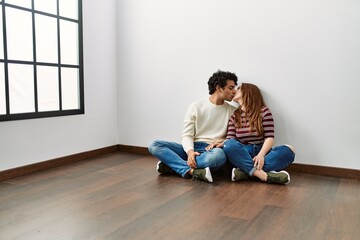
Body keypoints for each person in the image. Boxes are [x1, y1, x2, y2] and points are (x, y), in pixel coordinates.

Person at [148, 70, 238, 183]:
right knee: (155, 145)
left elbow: (234, 138)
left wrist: (221, 144)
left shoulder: (233, 111)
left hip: (212, 150)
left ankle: (173, 165)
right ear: (219, 88)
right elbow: (187, 135)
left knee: (218, 157)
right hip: (192, 147)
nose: (234, 91)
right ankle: (191, 171)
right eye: (231, 88)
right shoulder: (196, 106)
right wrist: (190, 152)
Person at [223, 83, 295, 184]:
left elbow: (269, 137)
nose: (234, 90)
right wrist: (222, 143)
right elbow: (231, 139)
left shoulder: (264, 112)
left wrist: (261, 155)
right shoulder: (234, 116)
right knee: (229, 144)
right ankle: (262, 175)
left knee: (289, 150)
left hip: (262, 152)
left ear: (247, 92)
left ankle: (245, 172)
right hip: (244, 153)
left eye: (238, 88)